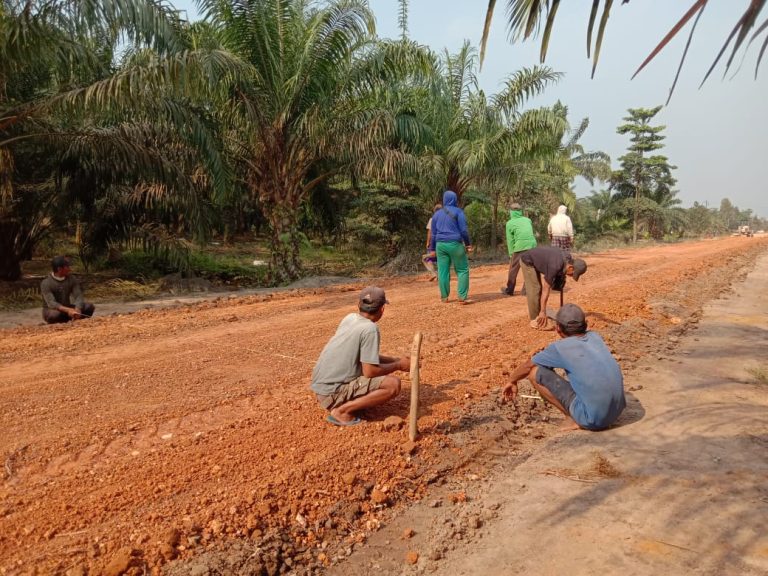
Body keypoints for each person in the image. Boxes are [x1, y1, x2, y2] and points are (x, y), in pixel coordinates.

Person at [502, 304, 626, 431]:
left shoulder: (560, 348)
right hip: (617, 412)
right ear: (586, 324)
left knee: (534, 373)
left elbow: (528, 367)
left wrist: (512, 380)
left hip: (593, 420)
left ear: (558, 329)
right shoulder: (595, 337)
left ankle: (572, 418)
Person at [311, 286, 411, 426]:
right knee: (393, 385)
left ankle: (352, 404)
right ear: (382, 309)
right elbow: (370, 371)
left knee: (376, 379)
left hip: (321, 389)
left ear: (359, 305)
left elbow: (365, 356)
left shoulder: (350, 318)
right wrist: (398, 365)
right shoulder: (370, 329)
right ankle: (342, 411)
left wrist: (396, 360)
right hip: (332, 393)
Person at [520, 246, 587, 329]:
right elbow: (546, 289)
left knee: (550, 284)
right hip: (527, 261)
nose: (571, 276)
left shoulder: (567, 259)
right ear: (570, 267)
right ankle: (536, 319)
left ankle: (540, 313)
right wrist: (543, 311)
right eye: (572, 274)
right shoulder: (554, 266)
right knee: (535, 288)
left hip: (537, 259)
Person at [429, 190, 473, 304]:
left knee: (443, 271)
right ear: (455, 199)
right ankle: (462, 297)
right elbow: (463, 230)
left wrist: (432, 249)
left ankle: (444, 297)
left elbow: (433, 234)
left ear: (444, 199)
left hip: (440, 246)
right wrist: (468, 244)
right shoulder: (459, 212)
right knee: (462, 269)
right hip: (455, 244)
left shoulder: (436, 214)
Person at [40, 256, 95, 324]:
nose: (70, 269)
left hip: (68, 308)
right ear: (59, 269)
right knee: (55, 315)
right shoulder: (46, 283)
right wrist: (68, 310)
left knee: (89, 307)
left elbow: (78, 295)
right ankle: (66, 320)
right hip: (53, 310)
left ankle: (73, 318)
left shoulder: (72, 279)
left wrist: (78, 308)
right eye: (67, 267)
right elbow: (51, 303)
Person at [501, 202, 537, 296]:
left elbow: (510, 240)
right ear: (521, 211)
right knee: (529, 268)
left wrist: (511, 253)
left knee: (513, 269)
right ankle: (525, 291)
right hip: (532, 246)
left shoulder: (509, 223)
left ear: (511, 212)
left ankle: (509, 290)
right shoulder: (528, 220)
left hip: (520, 246)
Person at [421, 203, 442, 281]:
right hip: (442, 241)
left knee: (426, 259)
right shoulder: (444, 219)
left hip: (434, 242)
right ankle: (440, 276)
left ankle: (433, 274)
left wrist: (427, 242)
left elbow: (430, 232)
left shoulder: (432, 219)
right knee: (440, 259)